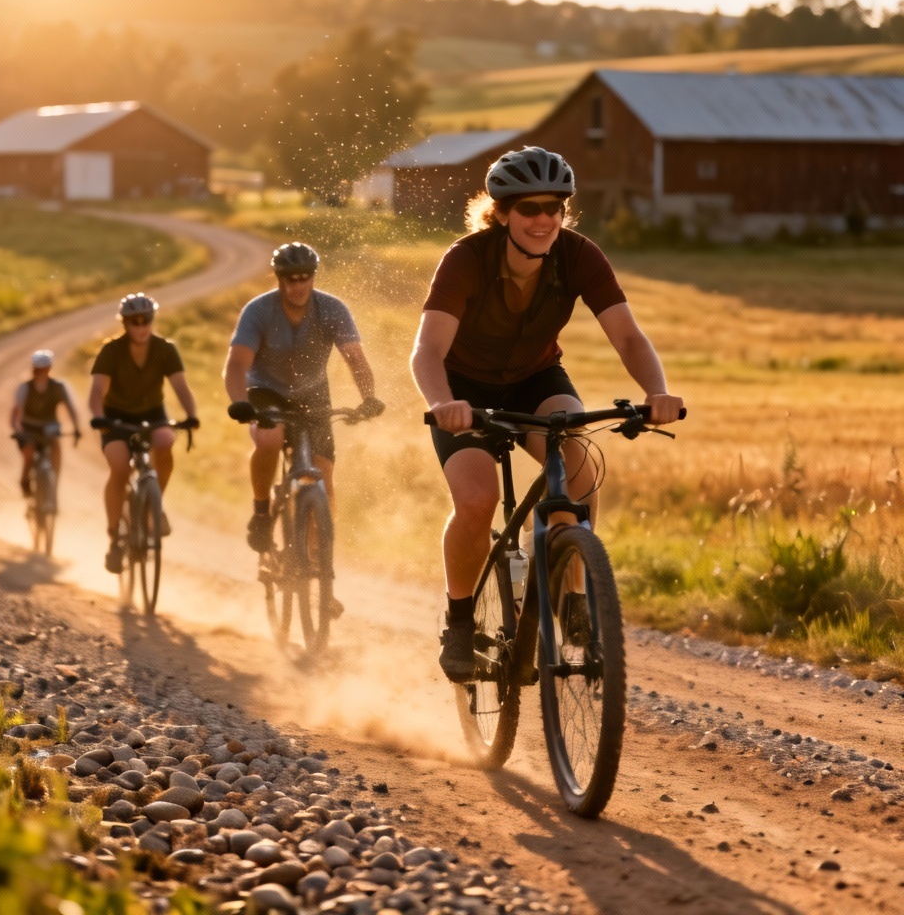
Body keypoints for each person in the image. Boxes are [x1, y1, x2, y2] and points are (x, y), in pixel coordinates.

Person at [410, 146, 684, 682]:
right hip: (464, 391)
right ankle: (461, 622)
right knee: (477, 498)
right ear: (502, 212)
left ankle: (573, 597)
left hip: (536, 379)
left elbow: (627, 335)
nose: (543, 219)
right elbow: (427, 350)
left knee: (577, 469)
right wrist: (443, 404)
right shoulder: (467, 259)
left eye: (555, 207)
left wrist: (657, 392)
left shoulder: (579, 256)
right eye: (529, 208)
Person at [223, 241, 384, 560]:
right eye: (290, 278)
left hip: (312, 392)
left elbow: (355, 358)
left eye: (304, 277)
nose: (298, 285)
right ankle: (261, 513)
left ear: (313, 276)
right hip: (266, 390)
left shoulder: (332, 308)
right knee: (270, 437)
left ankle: (319, 562)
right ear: (279, 278)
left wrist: (368, 398)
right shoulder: (258, 311)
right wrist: (239, 401)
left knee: (324, 474)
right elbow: (237, 364)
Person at [89, 293, 199, 574]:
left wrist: (191, 415)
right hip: (116, 419)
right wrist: (99, 417)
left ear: (152, 320)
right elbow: (96, 392)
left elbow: (180, 387)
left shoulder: (165, 349)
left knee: (166, 442)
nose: (140, 327)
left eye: (146, 320)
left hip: (152, 415)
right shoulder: (111, 351)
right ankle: (115, 537)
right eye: (134, 322)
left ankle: (153, 504)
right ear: (125, 324)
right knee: (119, 467)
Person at [10, 349, 82, 496]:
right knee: (29, 453)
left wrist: (76, 427)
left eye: (44, 368)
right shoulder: (25, 388)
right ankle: (25, 481)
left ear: (49, 368)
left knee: (56, 448)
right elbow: (16, 414)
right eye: (38, 368)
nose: (41, 371)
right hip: (29, 428)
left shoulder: (58, 387)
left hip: (50, 428)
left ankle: (54, 486)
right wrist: (18, 430)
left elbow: (70, 408)